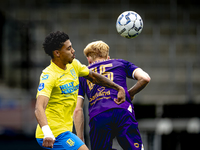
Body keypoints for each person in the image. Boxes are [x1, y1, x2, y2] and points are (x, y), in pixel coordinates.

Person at [34, 31, 126, 150]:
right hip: (52, 134)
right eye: (69, 49)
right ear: (57, 53)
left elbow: (93, 76)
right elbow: (39, 108)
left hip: (65, 131)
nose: (73, 51)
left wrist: (118, 87)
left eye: (71, 47)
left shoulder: (74, 65)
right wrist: (47, 133)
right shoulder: (49, 75)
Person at [74, 40, 151, 150]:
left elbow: (77, 110)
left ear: (89, 59)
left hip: (99, 116)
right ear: (108, 57)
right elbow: (145, 78)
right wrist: (129, 94)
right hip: (122, 111)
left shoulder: (83, 75)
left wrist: (80, 139)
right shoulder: (121, 63)